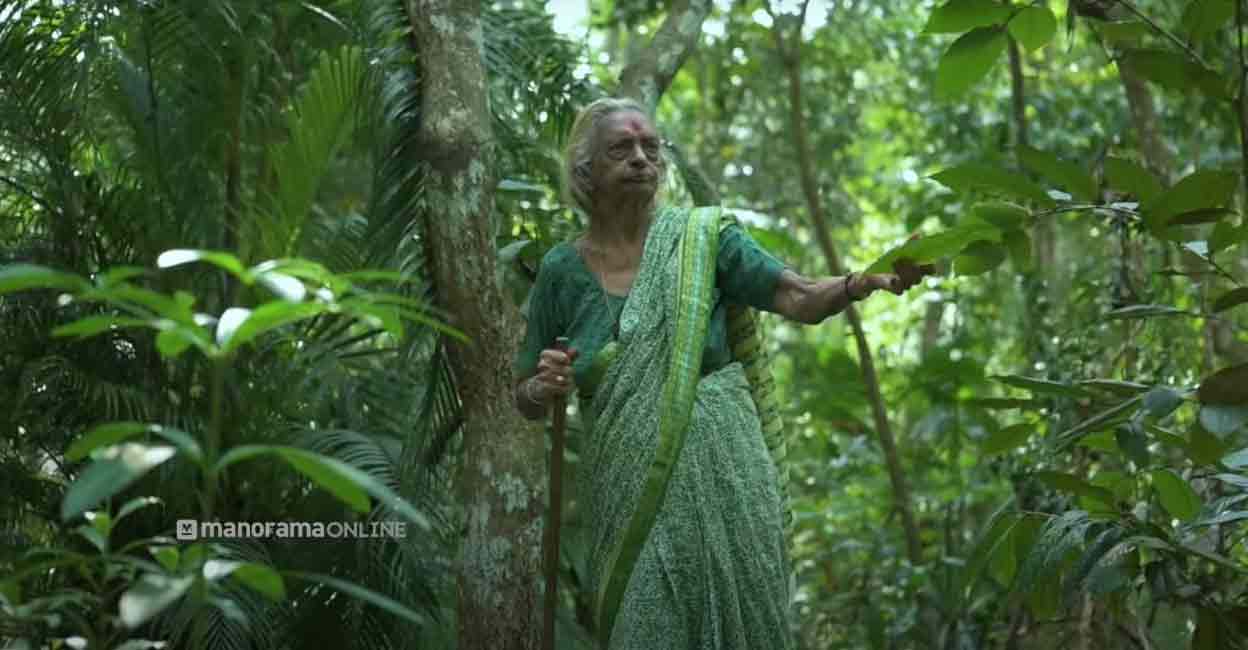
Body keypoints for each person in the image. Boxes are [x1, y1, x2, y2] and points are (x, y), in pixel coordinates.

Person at [513, 97, 930, 649]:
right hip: (626, 493)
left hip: (729, 474)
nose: (641, 158)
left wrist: (862, 281)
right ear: (585, 170)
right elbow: (523, 395)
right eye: (621, 148)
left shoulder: (703, 239)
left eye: (651, 147)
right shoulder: (561, 271)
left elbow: (798, 296)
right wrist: (540, 387)